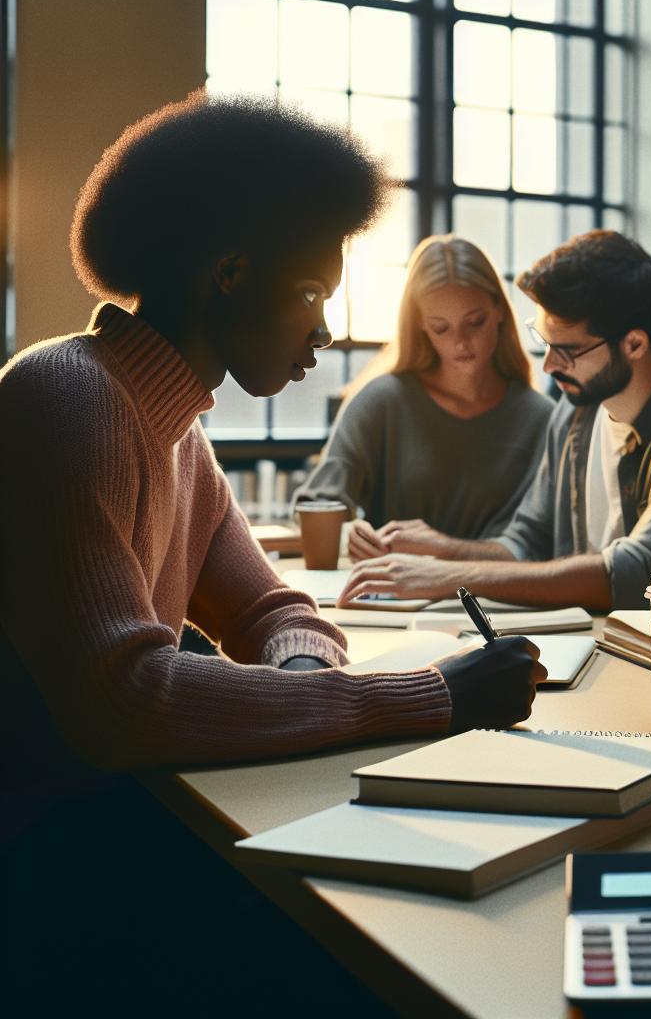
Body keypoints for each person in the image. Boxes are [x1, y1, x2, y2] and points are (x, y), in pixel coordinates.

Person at [0, 94, 542, 1011]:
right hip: (56, 856)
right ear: (230, 273)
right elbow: (123, 703)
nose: (324, 333)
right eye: (309, 296)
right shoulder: (68, 397)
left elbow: (276, 612)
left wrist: (299, 680)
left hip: (131, 814)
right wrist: (432, 695)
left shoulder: (179, 430)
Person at [341, 230, 651, 611]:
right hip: (580, 646)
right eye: (545, 342)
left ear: (634, 344)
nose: (551, 365)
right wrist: (442, 549)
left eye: (568, 351)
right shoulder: (575, 409)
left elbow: (638, 572)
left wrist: (451, 577)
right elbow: (527, 541)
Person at [293, 235, 551, 559]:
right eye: (441, 327)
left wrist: (442, 550)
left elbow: (540, 545)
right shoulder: (382, 401)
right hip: (393, 602)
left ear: (499, 308)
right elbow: (317, 503)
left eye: (475, 322)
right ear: (420, 325)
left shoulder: (543, 419)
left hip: (501, 603)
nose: (461, 342)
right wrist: (349, 534)